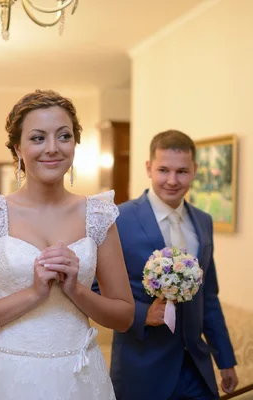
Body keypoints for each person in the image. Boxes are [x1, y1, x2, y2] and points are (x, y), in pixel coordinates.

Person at [0, 89, 134, 400]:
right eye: (37, 138)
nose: (53, 148)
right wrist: (33, 294)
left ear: (75, 144)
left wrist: (76, 290)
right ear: (18, 147)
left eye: (64, 136)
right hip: (7, 376)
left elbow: (124, 317)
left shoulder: (98, 215)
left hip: (79, 376)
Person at [100, 130, 238, 400]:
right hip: (141, 368)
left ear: (194, 170)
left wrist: (225, 359)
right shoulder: (118, 218)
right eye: (163, 170)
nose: (172, 181)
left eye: (182, 171)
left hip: (196, 368)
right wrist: (143, 315)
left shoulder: (203, 221)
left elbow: (209, 297)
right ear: (149, 168)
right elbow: (95, 288)